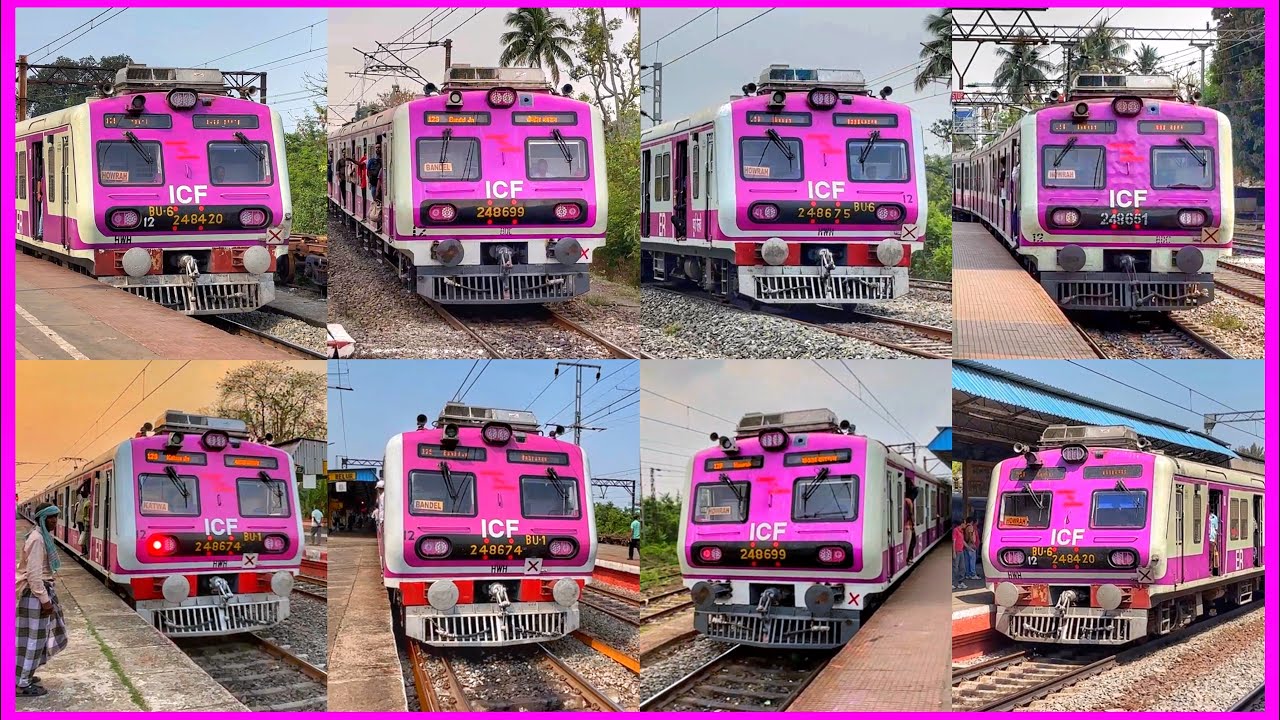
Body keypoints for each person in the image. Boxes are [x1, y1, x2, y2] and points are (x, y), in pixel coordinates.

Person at [17, 503, 69, 697]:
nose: (54, 521)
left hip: (35, 593)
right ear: (41, 519)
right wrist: (45, 601)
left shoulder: (39, 536)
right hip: (35, 595)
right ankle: (23, 683)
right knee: (34, 639)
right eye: (50, 518)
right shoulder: (38, 540)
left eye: (56, 517)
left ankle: (23, 674)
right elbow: (34, 575)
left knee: (28, 637)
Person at [951, 520, 967, 590]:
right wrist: (954, 552)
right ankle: (952, 583)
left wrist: (969, 548)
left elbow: (963, 541)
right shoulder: (955, 530)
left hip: (961, 551)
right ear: (962, 524)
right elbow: (953, 541)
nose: (965, 525)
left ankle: (960, 582)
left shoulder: (961, 531)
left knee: (962, 567)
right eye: (965, 523)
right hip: (957, 551)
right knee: (955, 568)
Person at [1209, 507, 1220, 573]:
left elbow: (1216, 529)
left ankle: (1210, 568)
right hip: (1206, 538)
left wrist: (1215, 539)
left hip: (1212, 538)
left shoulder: (1214, 518)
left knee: (1211, 554)